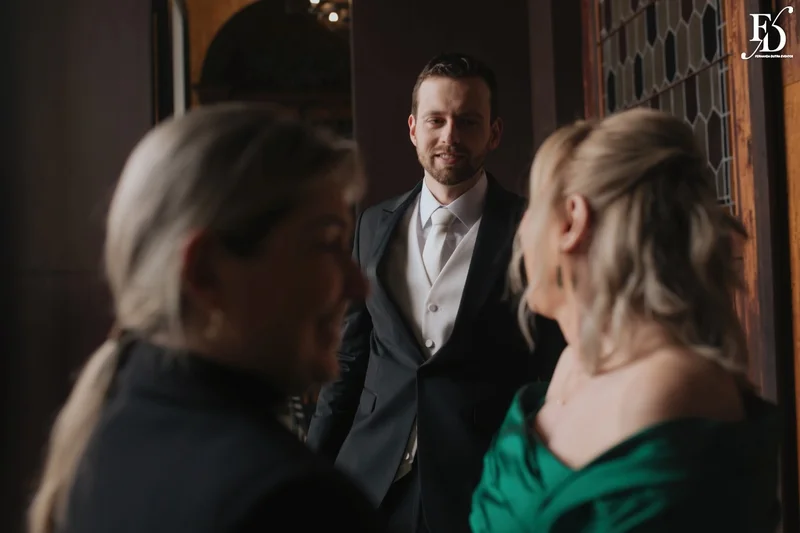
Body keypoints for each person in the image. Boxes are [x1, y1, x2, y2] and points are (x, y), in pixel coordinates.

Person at [27, 103, 385, 533]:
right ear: (205, 271)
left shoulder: (97, 439)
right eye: (326, 243)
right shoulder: (294, 504)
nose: (358, 285)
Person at [470, 107, 781, 532]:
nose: (522, 228)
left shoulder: (670, 387)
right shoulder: (570, 365)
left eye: (535, 205)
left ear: (572, 221)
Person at [307, 52, 566, 533]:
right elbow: (349, 360)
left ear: (494, 132)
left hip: (481, 483)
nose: (449, 136)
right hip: (370, 477)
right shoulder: (372, 224)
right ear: (413, 128)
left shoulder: (533, 228)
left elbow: (550, 366)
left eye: (467, 121)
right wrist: (308, 466)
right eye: (436, 120)